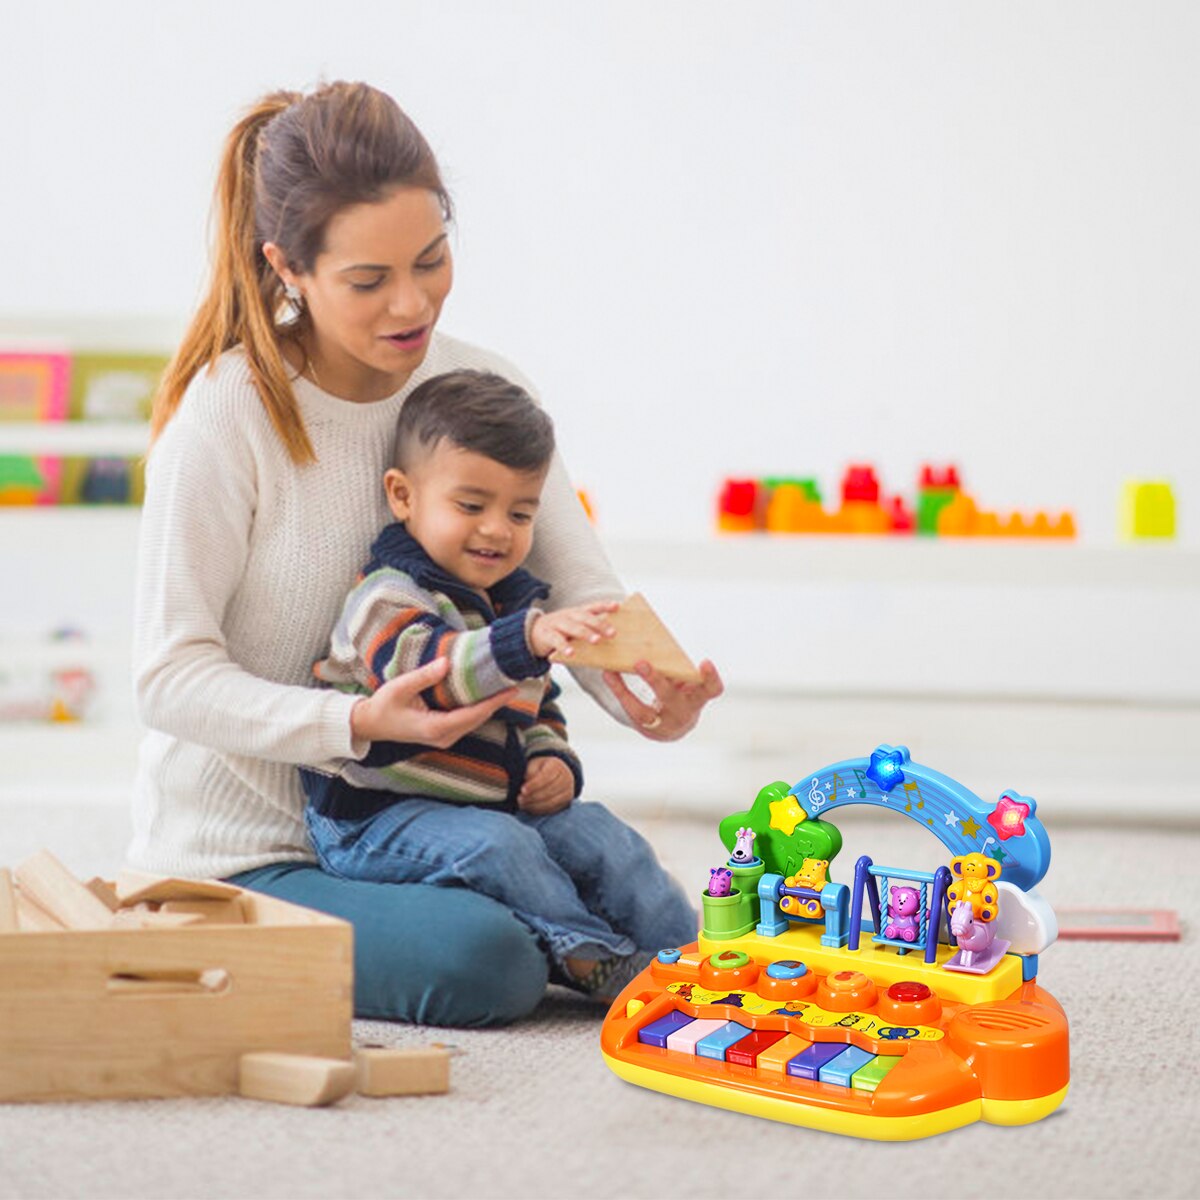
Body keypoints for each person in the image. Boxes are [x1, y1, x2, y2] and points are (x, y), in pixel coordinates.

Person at [132, 80, 724, 1027]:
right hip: (258, 852)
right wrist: (358, 722)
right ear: (287, 267)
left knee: (620, 874)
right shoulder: (227, 415)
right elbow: (167, 677)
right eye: (367, 282)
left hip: (457, 819)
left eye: (432, 260)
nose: (411, 304)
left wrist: (650, 693)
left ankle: (620, 957)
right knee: (486, 963)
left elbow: (578, 590)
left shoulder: (480, 388)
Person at [301, 368, 697, 1001]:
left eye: (520, 513)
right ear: (403, 497)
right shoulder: (385, 595)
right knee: (500, 846)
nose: (496, 530)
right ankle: (589, 955)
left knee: (601, 835)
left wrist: (551, 757)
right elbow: (428, 672)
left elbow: (537, 705)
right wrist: (527, 640)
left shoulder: (511, 604)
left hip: (491, 806)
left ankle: (690, 953)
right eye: (471, 506)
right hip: (375, 820)